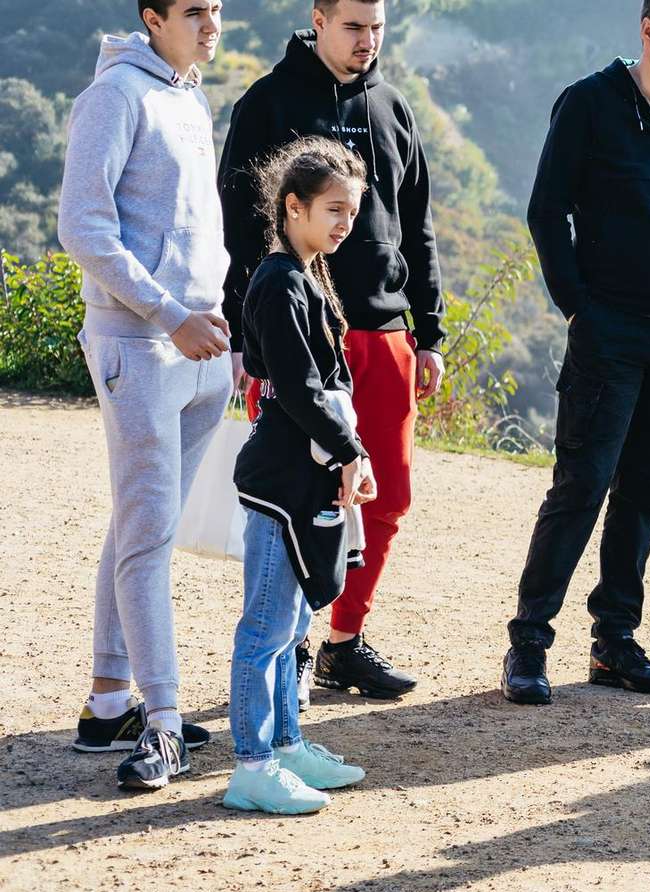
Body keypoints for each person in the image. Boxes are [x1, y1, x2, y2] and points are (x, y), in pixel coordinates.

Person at [502, 0, 650, 704]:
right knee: (581, 485)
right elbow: (548, 210)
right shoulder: (589, 103)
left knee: (644, 491)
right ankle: (529, 643)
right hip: (612, 330)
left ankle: (615, 642)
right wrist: (578, 306)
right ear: (648, 30)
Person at [220, 0, 445, 701]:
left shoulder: (393, 107)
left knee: (386, 495)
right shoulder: (268, 102)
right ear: (318, 20)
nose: (367, 40)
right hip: (296, 328)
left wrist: (429, 331)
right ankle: (286, 645)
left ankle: (343, 643)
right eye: (353, 26)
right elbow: (237, 226)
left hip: (385, 331)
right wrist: (244, 336)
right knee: (296, 493)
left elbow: (418, 224)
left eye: (377, 27)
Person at [58, 0, 231, 790]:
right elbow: (83, 228)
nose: (211, 24)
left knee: (141, 525)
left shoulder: (190, 96)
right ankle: (162, 722)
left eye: (217, 9)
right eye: (194, 11)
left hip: (202, 343)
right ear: (154, 17)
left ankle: (107, 705)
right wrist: (168, 315)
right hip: (139, 343)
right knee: (149, 534)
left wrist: (220, 321)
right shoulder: (115, 96)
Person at [226, 137, 374, 815]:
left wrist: (346, 453)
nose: (345, 222)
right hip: (280, 481)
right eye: (333, 209)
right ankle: (252, 767)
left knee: (288, 625)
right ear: (294, 207)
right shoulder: (280, 282)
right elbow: (298, 387)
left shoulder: (305, 276)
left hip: (302, 474)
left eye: (353, 211)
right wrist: (350, 452)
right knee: (265, 627)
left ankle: (286, 746)